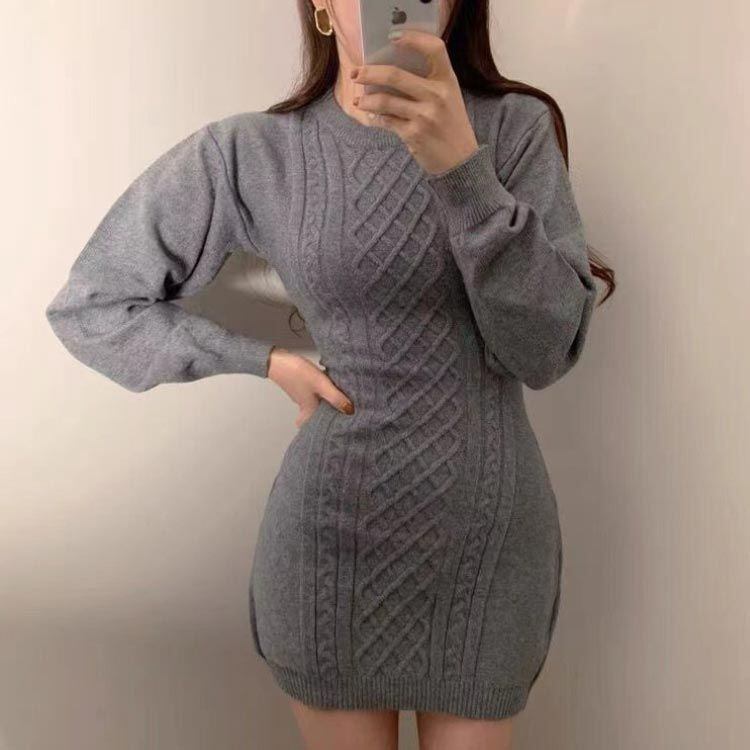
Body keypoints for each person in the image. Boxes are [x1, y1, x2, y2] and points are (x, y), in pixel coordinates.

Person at [45, 1, 615, 748]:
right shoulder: (257, 153)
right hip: (329, 544)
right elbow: (92, 305)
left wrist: (462, 170)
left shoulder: (515, 131)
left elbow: (546, 351)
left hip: (485, 546)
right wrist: (264, 358)